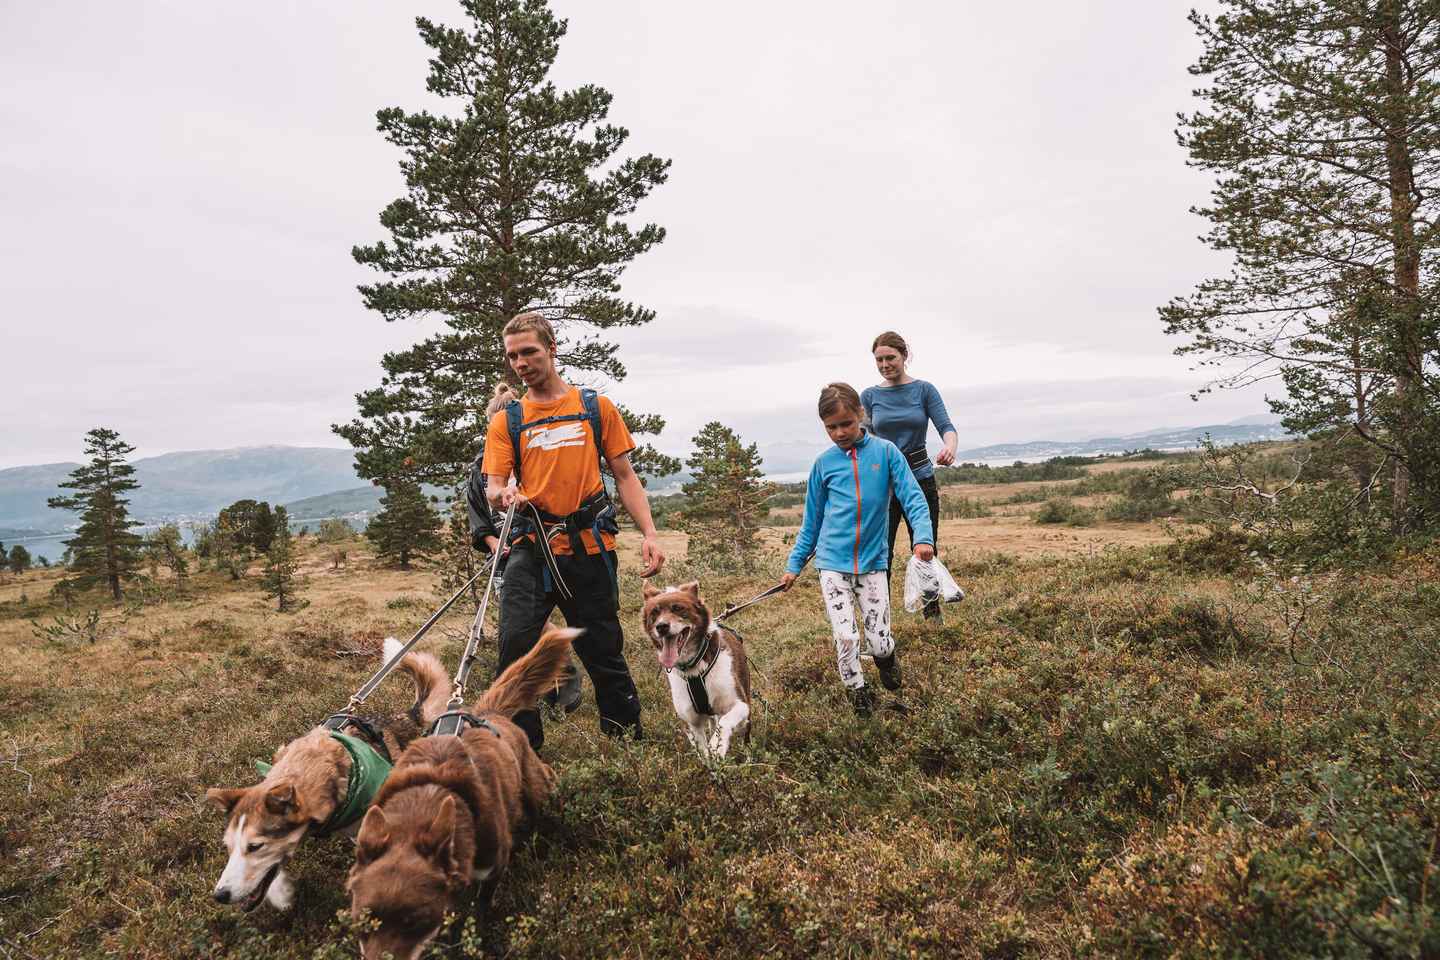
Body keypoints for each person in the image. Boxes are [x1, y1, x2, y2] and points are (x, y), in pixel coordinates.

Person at [481, 311, 664, 749]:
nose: (521, 363)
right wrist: (503, 495)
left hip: (589, 547)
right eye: (513, 356)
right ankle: (524, 751)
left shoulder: (593, 408)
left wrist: (650, 534)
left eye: (529, 352)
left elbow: (624, 475)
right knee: (515, 652)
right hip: (532, 550)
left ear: (552, 349)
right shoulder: (506, 421)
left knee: (603, 649)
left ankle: (626, 743)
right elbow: (492, 486)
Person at [780, 383, 934, 717]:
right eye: (831, 427)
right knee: (846, 637)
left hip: (873, 563)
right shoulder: (823, 465)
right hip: (832, 565)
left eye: (846, 423)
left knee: (879, 640)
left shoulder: (886, 453)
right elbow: (812, 522)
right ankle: (860, 699)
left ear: (860, 415)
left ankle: (886, 658)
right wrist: (794, 565)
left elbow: (913, 497)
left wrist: (923, 538)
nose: (839, 433)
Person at [466, 382, 583, 713]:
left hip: (544, 544)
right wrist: (493, 545)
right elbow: (477, 515)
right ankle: (555, 673)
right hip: (505, 554)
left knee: (539, 619)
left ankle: (562, 671)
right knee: (523, 625)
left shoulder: (537, 453)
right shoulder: (479, 467)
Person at [860, 331, 957, 620]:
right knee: (881, 554)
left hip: (920, 478)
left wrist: (949, 447)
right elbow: (864, 441)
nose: (885, 364)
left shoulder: (924, 390)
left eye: (890, 357)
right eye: (879, 359)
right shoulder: (869, 396)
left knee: (926, 548)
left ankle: (932, 615)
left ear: (904, 356)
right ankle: (881, 618)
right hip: (883, 486)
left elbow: (946, 426)